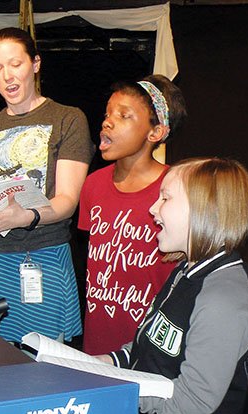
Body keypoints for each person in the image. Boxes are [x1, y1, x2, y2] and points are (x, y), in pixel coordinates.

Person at [103, 158, 248, 414]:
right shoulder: (185, 272)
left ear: (205, 211)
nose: (153, 209)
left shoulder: (223, 298)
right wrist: (99, 365)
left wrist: (118, 390)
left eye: (165, 199)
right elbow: (145, 346)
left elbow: (193, 400)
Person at [0, 27, 94, 343]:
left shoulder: (68, 118)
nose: (7, 76)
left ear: (35, 63)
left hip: (41, 256)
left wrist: (27, 217)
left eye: (16, 64)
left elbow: (66, 201)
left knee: (40, 363)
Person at [78, 75, 188, 355]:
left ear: (156, 133)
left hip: (150, 345)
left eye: (124, 115)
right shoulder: (93, 184)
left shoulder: (175, 188)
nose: (107, 122)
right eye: (107, 114)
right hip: (98, 341)